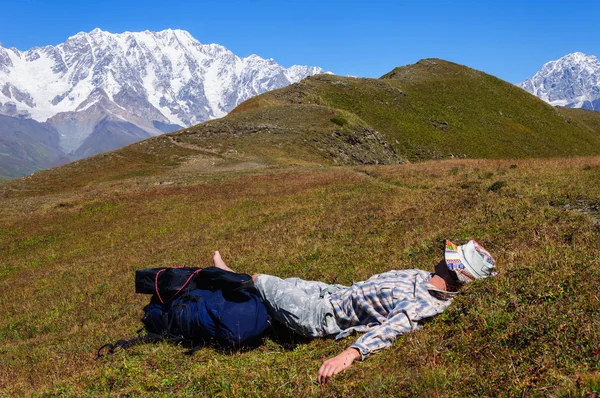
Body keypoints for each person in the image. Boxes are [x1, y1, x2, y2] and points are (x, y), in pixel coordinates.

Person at [212, 240, 497, 384]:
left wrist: (348, 355)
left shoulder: (425, 304)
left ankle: (228, 276)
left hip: (322, 316)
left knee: (265, 281)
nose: (440, 257)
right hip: (334, 292)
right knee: (286, 284)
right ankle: (239, 286)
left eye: (448, 257)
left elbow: (391, 330)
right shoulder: (423, 276)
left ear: (452, 268)